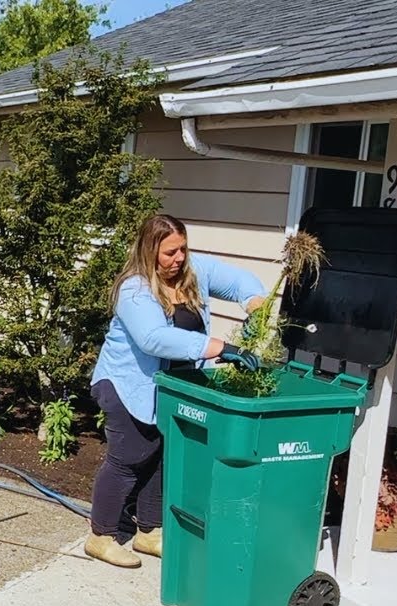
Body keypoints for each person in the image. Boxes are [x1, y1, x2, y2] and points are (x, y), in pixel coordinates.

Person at [86, 214, 266, 568]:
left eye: (182, 249)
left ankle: (149, 532)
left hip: (171, 388)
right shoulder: (134, 289)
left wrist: (254, 302)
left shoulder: (193, 271)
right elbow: (155, 339)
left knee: (162, 457)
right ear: (150, 251)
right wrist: (221, 348)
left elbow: (240, 281)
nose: (179, 258)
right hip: (128, 386)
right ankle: (101, 536)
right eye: (170, 253)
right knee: (128, 461)